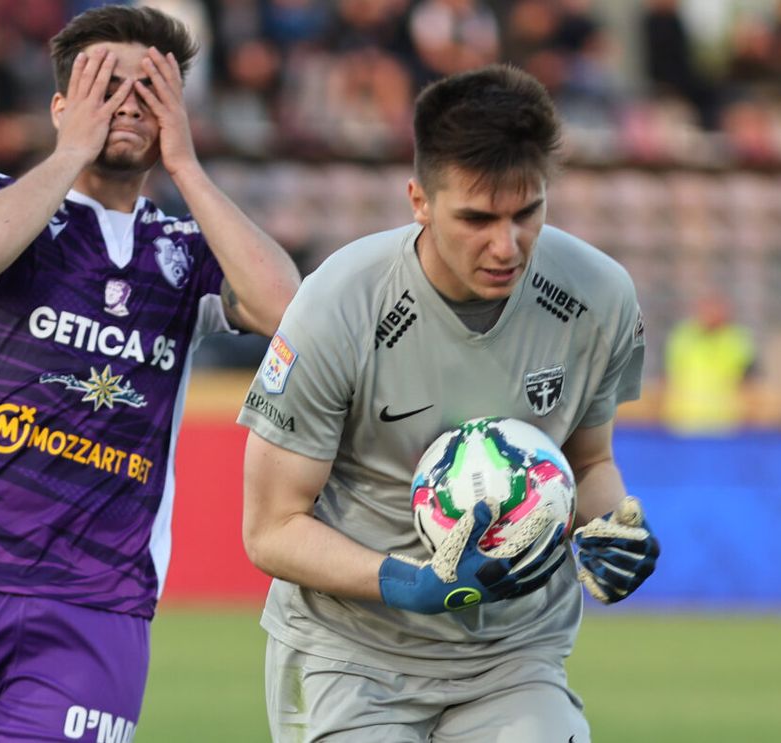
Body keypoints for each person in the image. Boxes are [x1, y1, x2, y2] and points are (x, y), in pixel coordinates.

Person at [0, 6, 300, 742]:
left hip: (97, 605)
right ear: (61, 106)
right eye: (106, 86)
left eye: (149, 90)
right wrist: (69, 153)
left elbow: (289, 309)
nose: (127, 103)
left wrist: (187, 166)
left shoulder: (185, 249)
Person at [239, 64, 660, 742]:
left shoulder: (599, 295)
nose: (507, 244)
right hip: (351, 657)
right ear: (419, 200)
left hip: (513, 657)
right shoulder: (338, 303)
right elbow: (270, 526)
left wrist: (612, 528)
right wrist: (408, 582)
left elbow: (589, 462)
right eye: (477, 218)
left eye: (527, 213)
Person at [661, 294, 757, 435]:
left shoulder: (738, 340)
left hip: (725, 423)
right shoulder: (683, 337)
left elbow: (749, 383)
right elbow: (669, 377)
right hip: (683, 421)